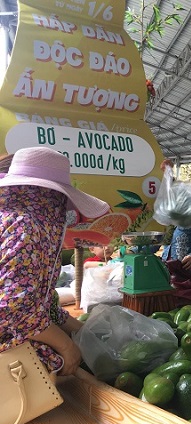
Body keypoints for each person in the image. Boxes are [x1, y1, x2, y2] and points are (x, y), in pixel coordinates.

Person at [0, 147, 111, 376]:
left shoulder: (13, 217)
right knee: (54, 360)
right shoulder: (26, 227)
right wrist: (67, 346)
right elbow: (14, 310)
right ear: (49, 196)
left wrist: (83, 333)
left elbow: (42, 302)